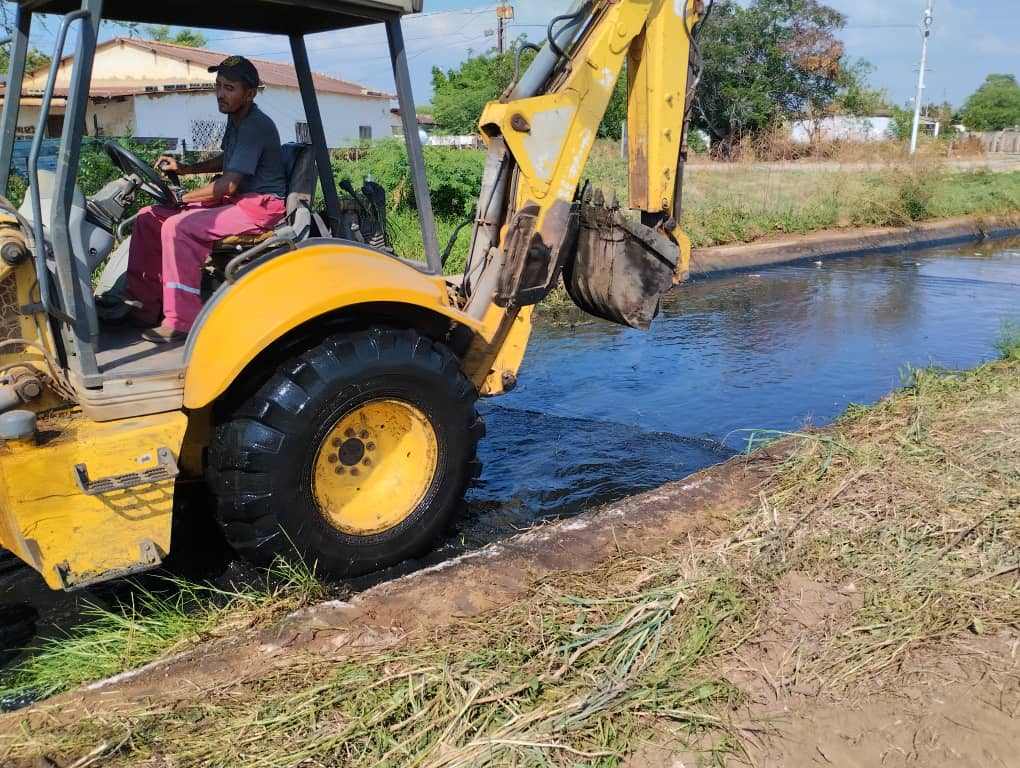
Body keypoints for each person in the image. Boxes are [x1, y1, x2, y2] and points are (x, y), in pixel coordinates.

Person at [125, 56, 288, 343]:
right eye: (218, 86)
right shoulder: (236, 119)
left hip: (259, 206)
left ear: (249, 94)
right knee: (149, 217)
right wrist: (185, 169)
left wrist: (182, 197)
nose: (220, 95)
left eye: (229, 88)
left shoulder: (255, 125)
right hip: (238, 199)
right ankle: (144, 307)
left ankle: (182, 321)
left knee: (178, 227)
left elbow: (228, 184)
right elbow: (227, 160)